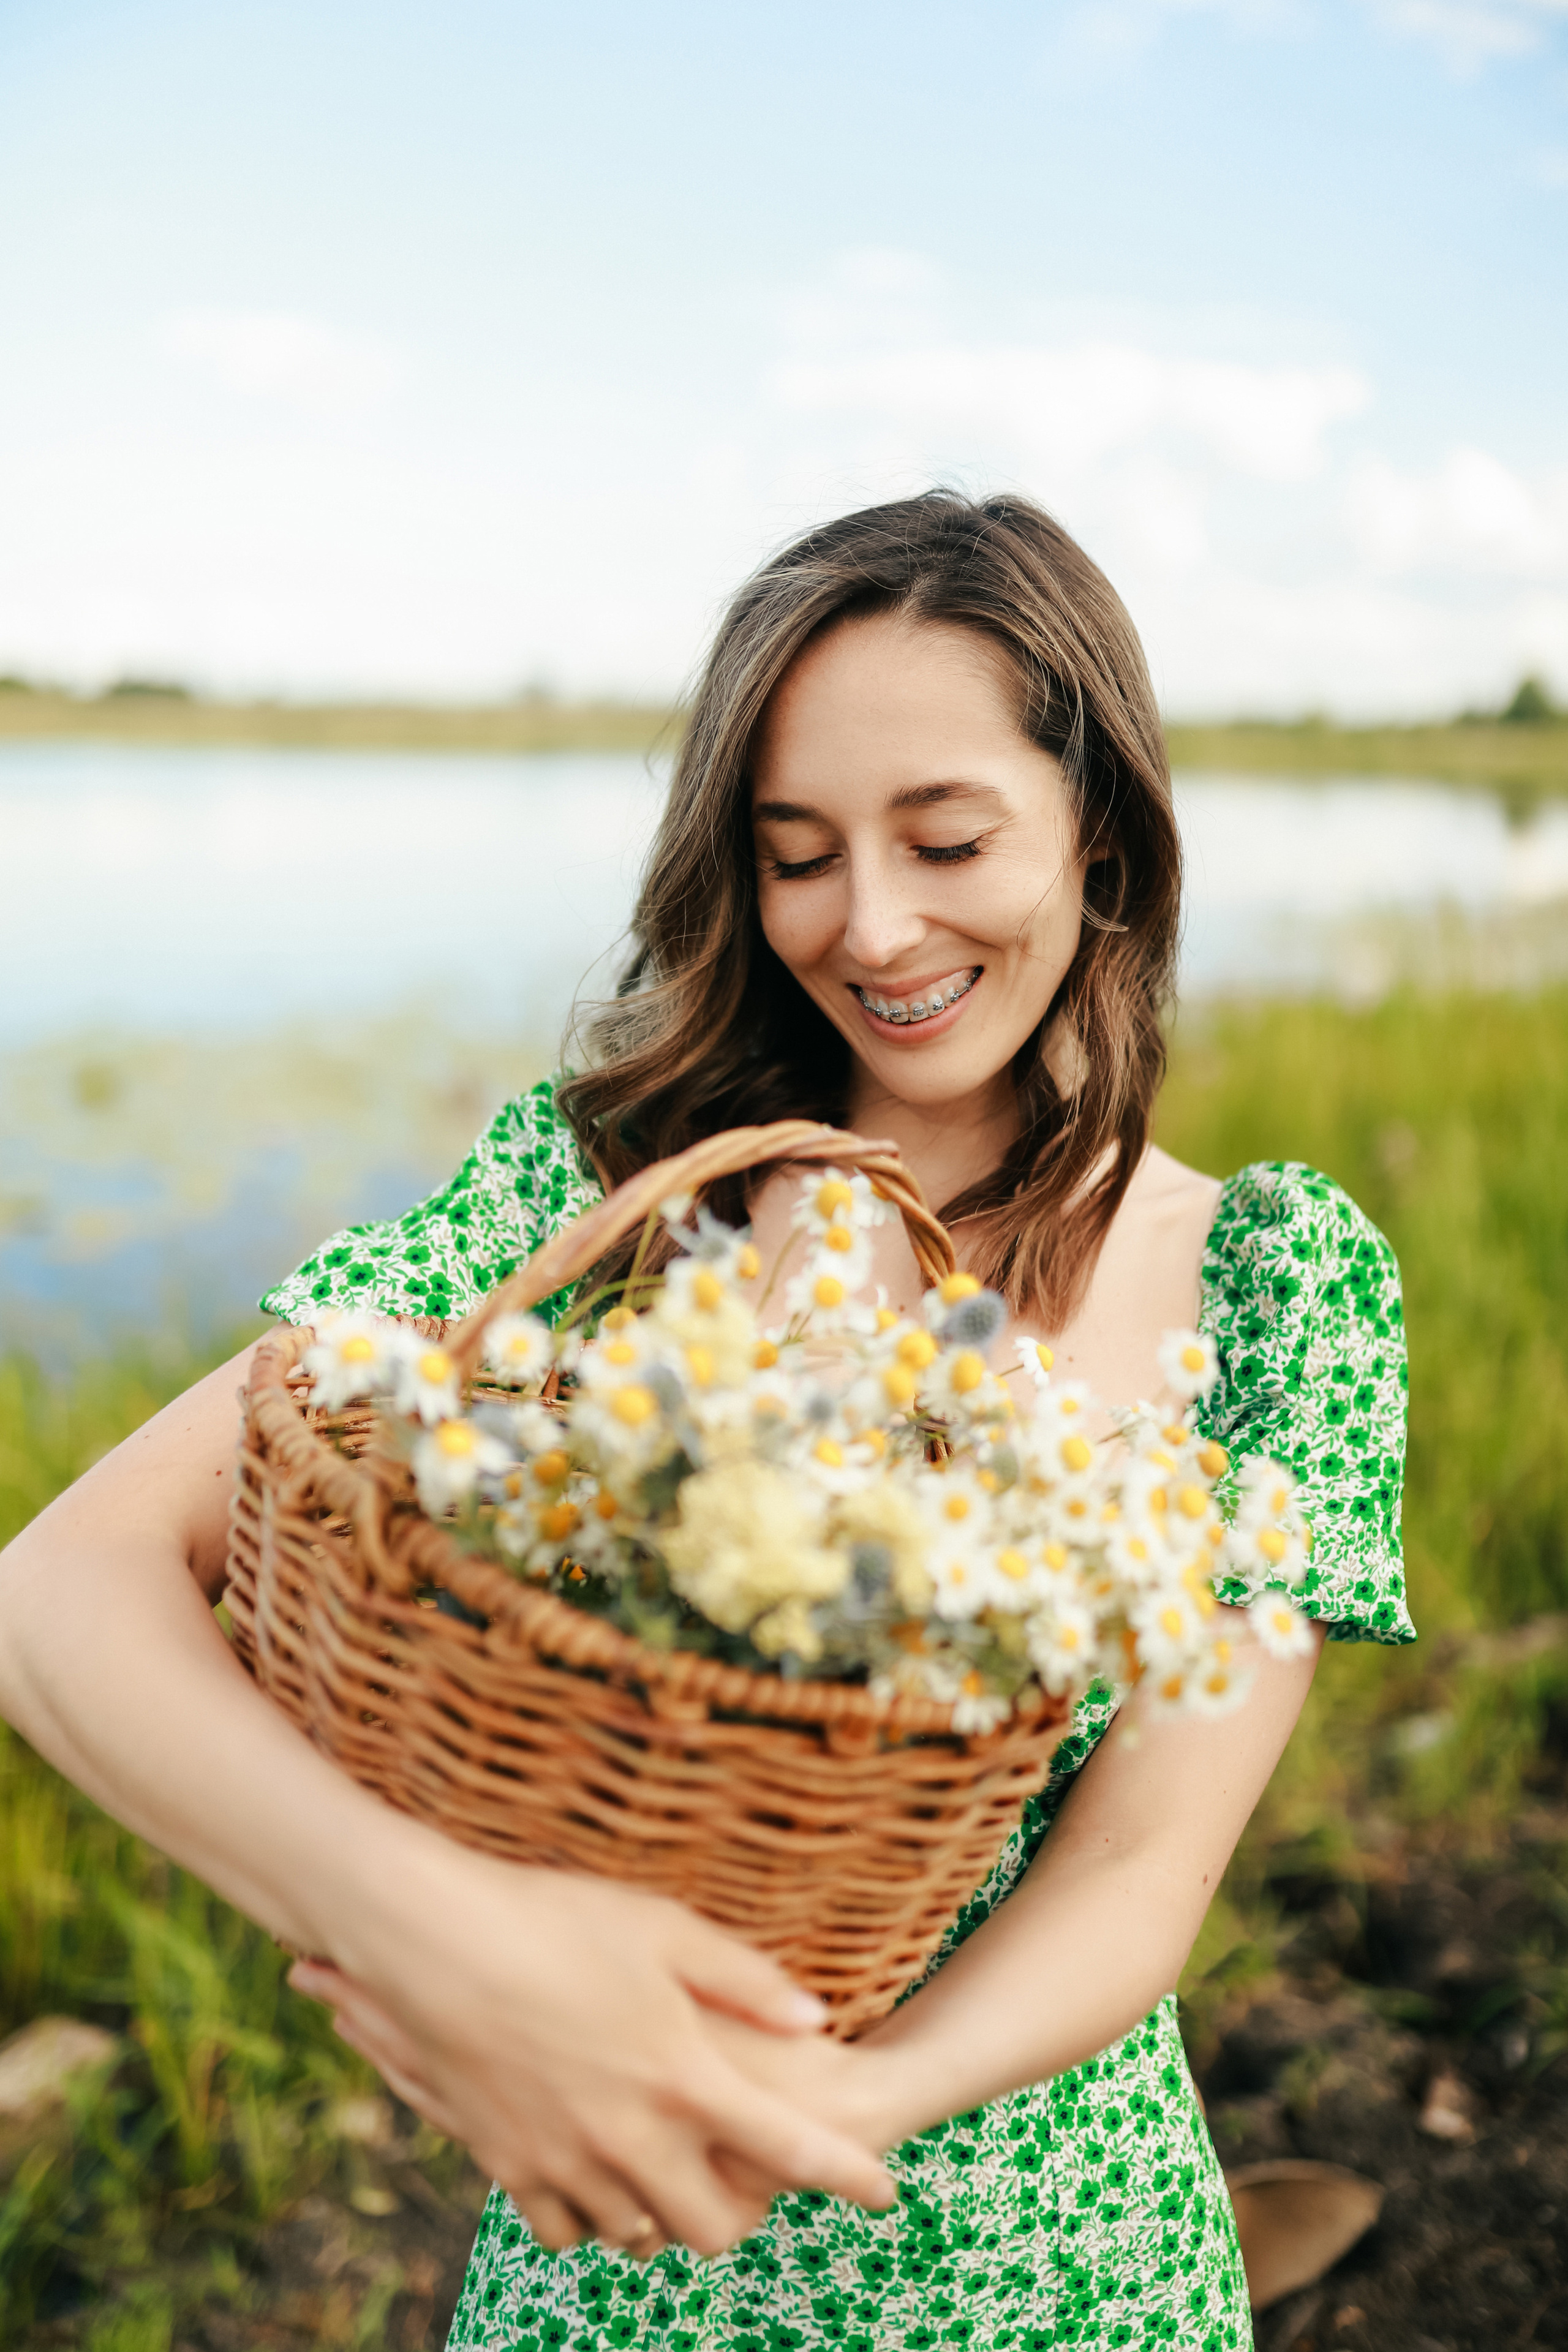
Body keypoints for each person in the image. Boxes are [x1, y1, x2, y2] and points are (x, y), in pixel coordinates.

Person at [0, 491, 1412, 2352]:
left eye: (947, 838)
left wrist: (804, 2114)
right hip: (609, 2252)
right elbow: (61, 1588)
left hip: (1052, 2257)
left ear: (1101, 831)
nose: (873, 925)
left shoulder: (1277, 1281)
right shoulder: (605, 1197)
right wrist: (451, 1946)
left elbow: (1141, 1870)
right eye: (796, 853)